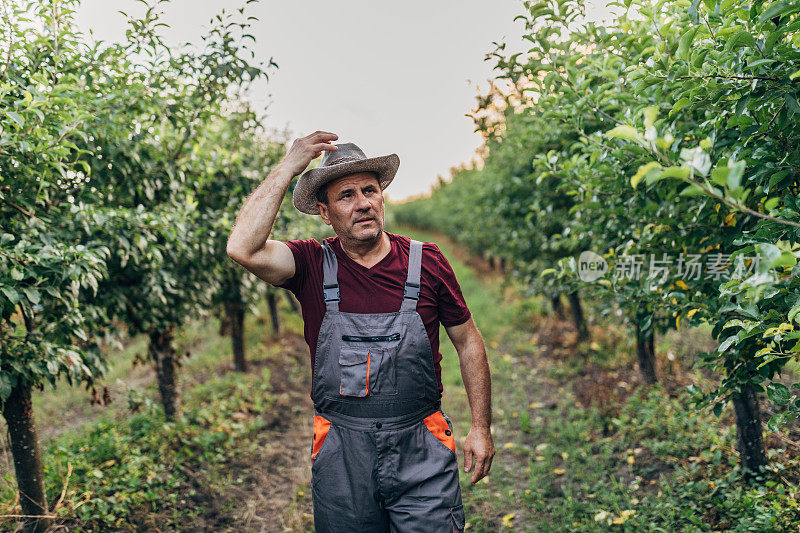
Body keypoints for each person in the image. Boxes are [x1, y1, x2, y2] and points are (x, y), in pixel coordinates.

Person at [226, 131, 494, 532]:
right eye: (346, 195)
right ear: (325, 212)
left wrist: (480, 426)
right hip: (342, 453)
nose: (363, 203)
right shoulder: (311, 264)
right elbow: (242, 248)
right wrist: (288, 166)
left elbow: (468, 339)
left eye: (370, 190)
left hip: (420, 443)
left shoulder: (426, 262)